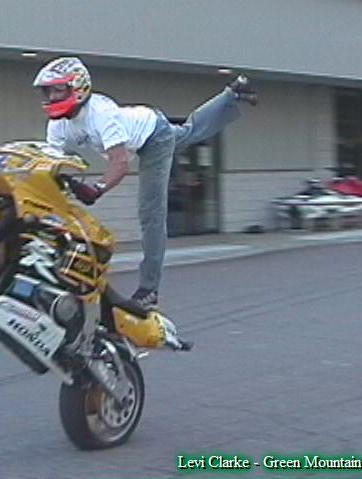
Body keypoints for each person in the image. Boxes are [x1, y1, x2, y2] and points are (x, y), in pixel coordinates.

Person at [33, 57, 256, 308]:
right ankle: (233, 94)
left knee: (151, 213)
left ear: (78, 87)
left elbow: (120, 163)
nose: (52, 96)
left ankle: (149, 290)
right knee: (189, 131)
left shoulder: (100, 113)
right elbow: (50, 163)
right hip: (143, 126)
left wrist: (98, 188)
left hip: (153, 137)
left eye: (58, 89)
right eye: (48, 91)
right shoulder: (57, 125)